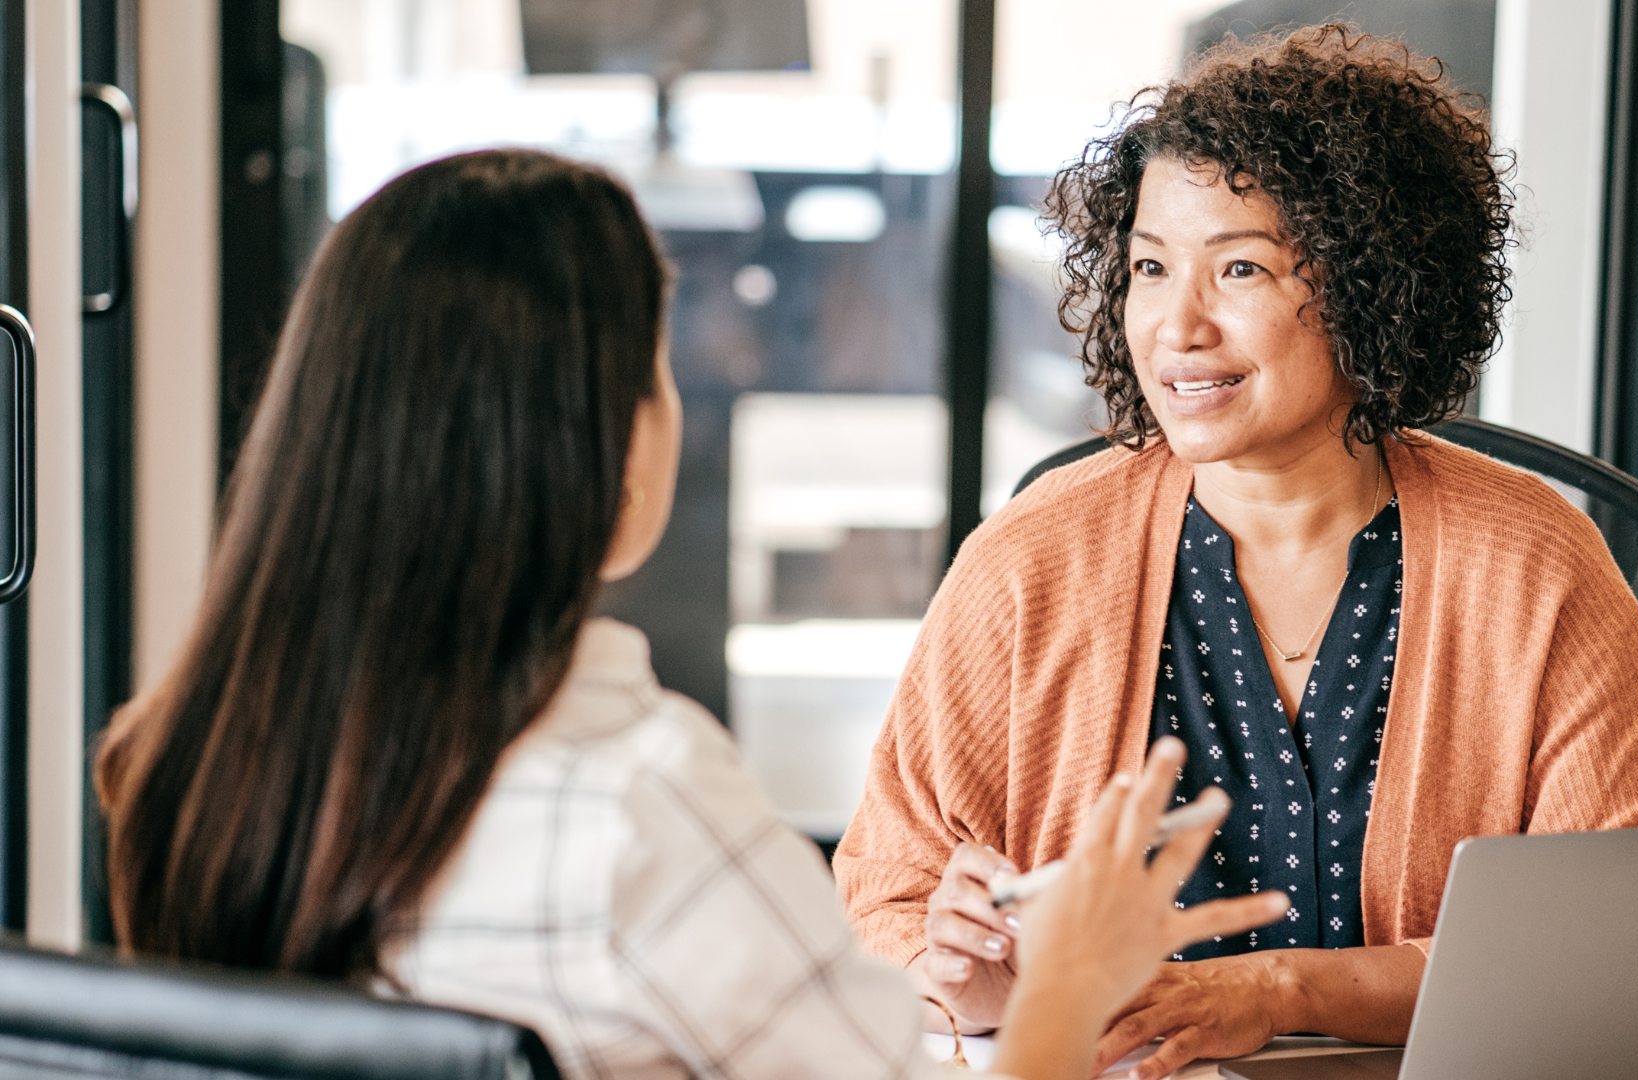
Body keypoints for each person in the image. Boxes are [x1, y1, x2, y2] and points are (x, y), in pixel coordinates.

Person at [92, 148, 1284, 1080]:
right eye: (659, 367)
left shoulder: (184, 763)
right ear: (601, 446)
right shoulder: (638, 800)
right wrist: (1070, 982)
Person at [833, 25, 1638, 1080]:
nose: (1177, 326)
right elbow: (888, 897)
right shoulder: (1030, 559)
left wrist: (1282, 990)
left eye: (1239, 267)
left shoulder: (1534, 562)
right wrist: (966, 977)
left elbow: (1621, 942)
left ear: (1369, 283)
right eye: (1150, 267)